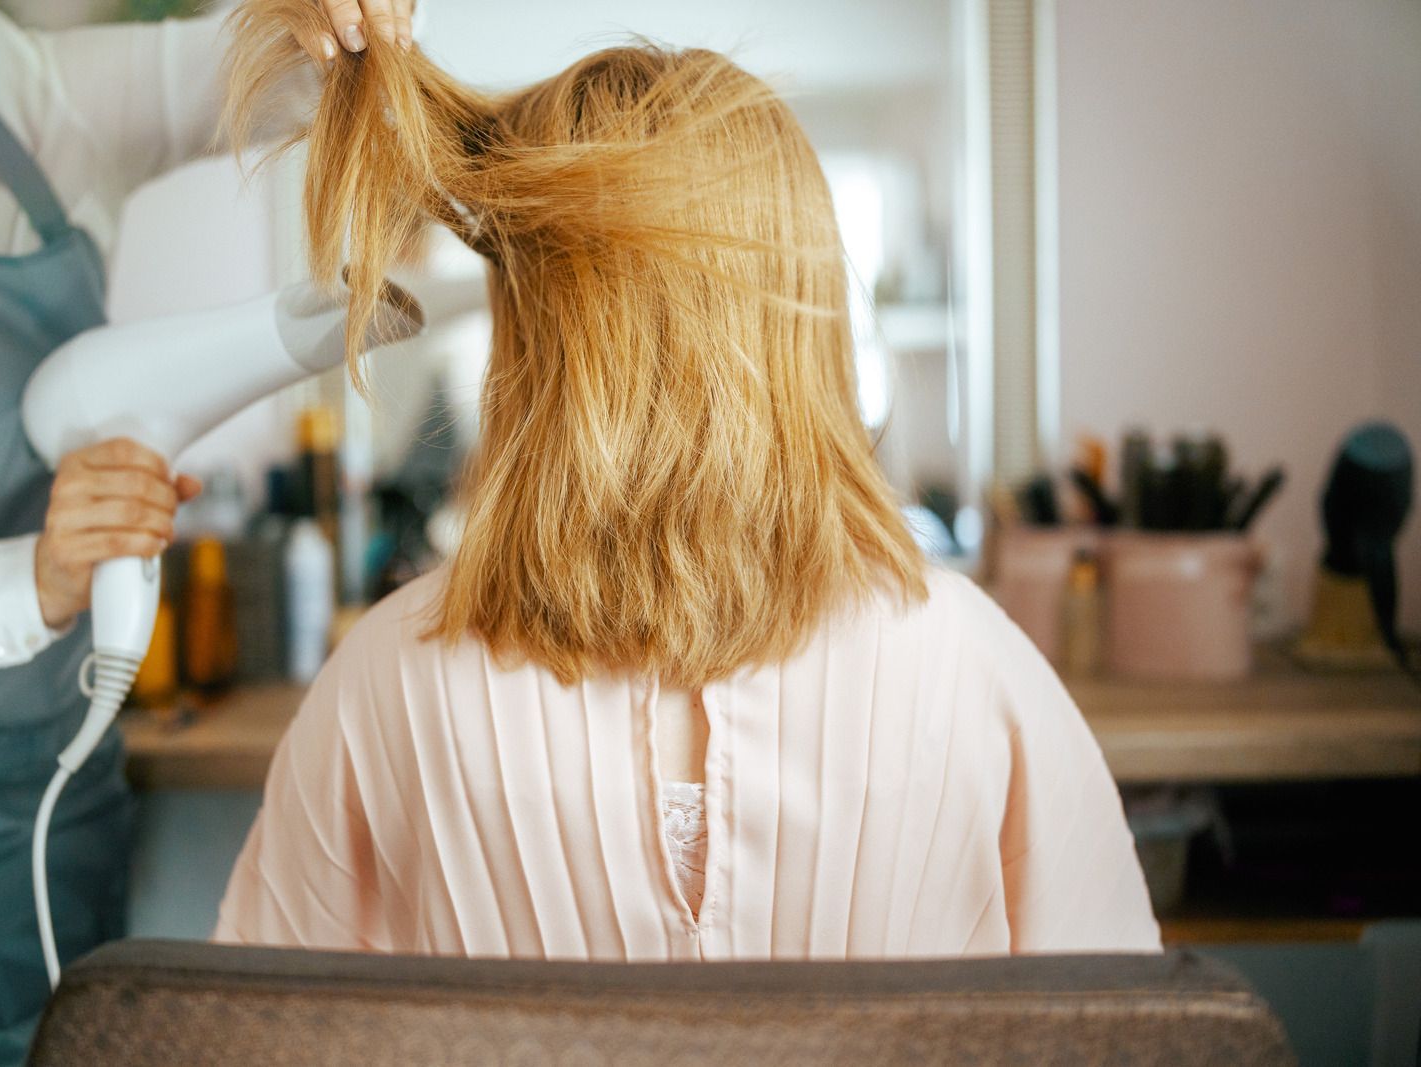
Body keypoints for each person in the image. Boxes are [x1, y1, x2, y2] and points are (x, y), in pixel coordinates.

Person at [214, 9, 1162, 960]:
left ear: (534, 339)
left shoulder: (385, 681)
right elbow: (1130, 1030)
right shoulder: (971, 667)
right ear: (804, 323)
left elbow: (255, 1034)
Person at [0, 1, 411, 1063]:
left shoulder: (25, 93)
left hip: (65, 776)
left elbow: (268, 63)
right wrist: (30, 578)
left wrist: (330, 17)